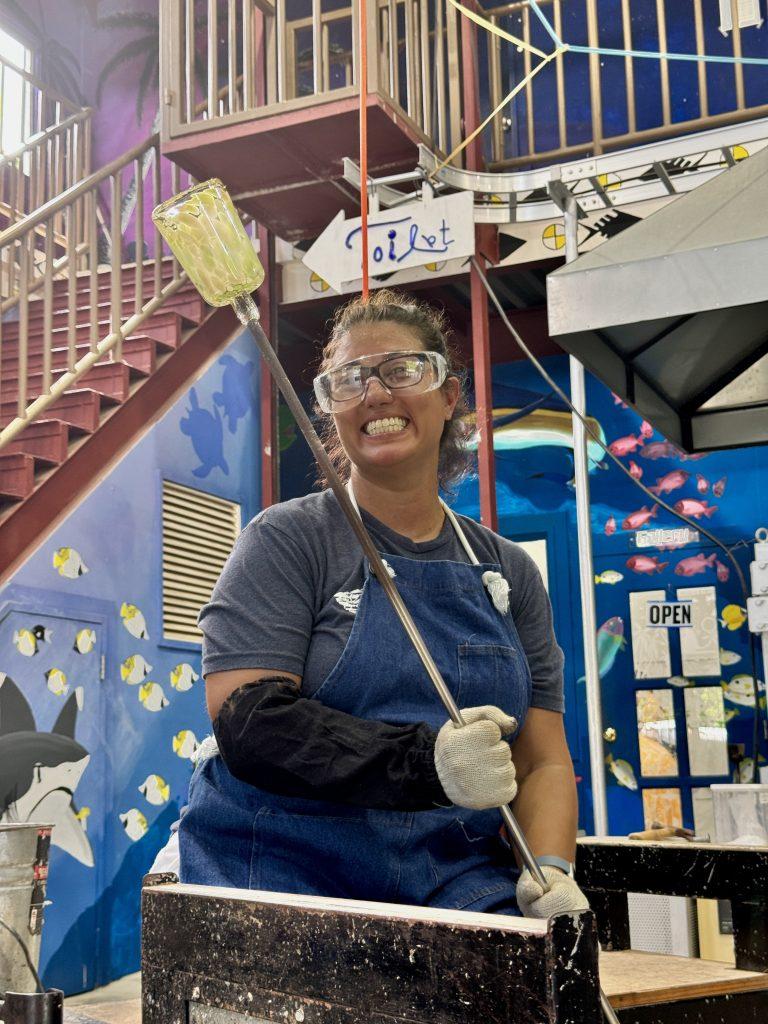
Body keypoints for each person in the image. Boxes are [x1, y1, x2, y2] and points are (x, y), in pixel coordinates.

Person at [178, 289, 588, 919]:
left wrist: (551, 870)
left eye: (401, 370)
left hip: (449, 875)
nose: (375, 393)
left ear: (449, 396)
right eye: (349, 380)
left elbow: (542, 761)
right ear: (330, 409)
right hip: (279, 873)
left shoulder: (508, 571)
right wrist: (429, 763)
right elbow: (251, 724)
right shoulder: (287, 540)